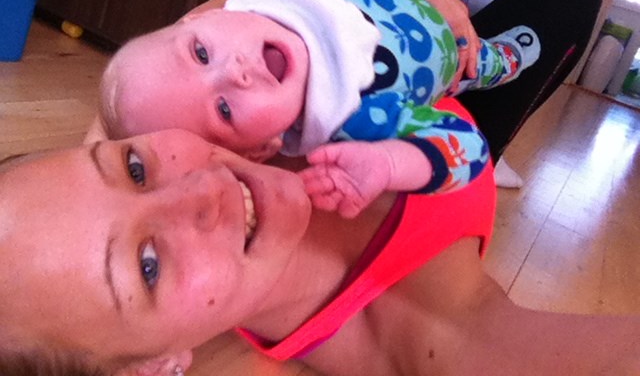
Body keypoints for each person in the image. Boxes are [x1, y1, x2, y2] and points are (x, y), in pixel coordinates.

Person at [2, 121, 640, 376]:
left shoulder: (220, 110)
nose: (199, 188)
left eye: (135, 168)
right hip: (483, 123)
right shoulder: (450, 340)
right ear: (153, 366)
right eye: (147, 267)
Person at [96, 0, 542, 217]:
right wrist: (389, 163)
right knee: (482, 63)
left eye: (201, 53)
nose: (234, 72)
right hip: (448, 48)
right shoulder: (351, 115)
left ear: (202, 17)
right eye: (225, 109)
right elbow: (468, 147)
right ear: (262, 148)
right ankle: (508, 57)